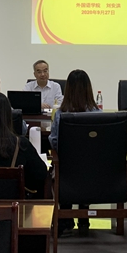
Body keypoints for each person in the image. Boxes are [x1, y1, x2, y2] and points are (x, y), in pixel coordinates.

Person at [50, 69, 101, 237]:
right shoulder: (99, 115)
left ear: (68, 90)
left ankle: (65, 220)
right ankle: (84, 219)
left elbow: (55, 141)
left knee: (62, 164)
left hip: (67, 173)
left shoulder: (61, 115)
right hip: (94, 173)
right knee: (87, 164)